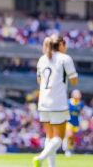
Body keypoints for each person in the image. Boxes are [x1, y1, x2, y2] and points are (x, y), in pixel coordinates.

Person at [33, 35, 78, 167]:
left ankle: (52, 166)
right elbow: (74, 80)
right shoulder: (65, 59)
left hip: (43, 102)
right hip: (58, 102)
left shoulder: (42, 59)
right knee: (59, 138)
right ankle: (40, 158)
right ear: (61, 45)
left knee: (49, 137)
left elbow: (39, 81)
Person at [62, 89, 84, 157]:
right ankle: (67, 150)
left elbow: (80, 113)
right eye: (77, 94)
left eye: (79, 94)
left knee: (72, 137)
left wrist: (81, 123)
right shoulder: (68, 102)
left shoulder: (81, 103)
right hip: (69, 122)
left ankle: (70, 149)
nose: (78, 95)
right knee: (69, 135)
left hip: (76, 123)